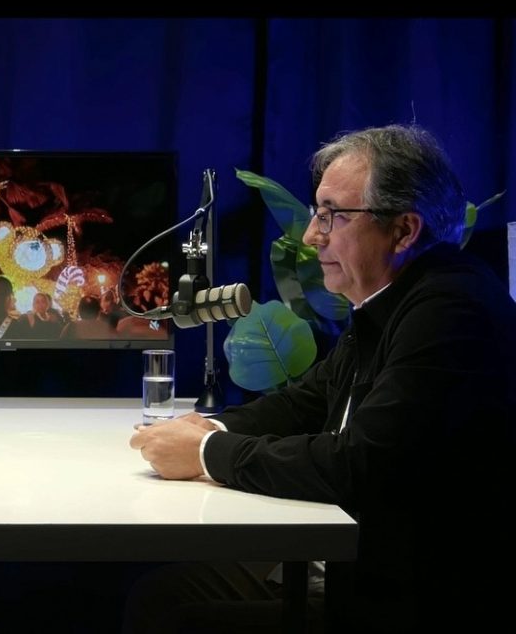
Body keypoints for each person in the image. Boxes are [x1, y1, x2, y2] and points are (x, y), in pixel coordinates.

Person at [125, 124, 516, 633]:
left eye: (334, 215)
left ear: (403, 230)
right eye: (317, 213)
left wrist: (205, 454)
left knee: (179, 620)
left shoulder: (451, 312)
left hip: (402, 598)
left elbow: (361, 466)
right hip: (348, 564)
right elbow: (305, 402)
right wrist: (209, 428)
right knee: (160, 595)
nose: (312, 235)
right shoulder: (394, 298)